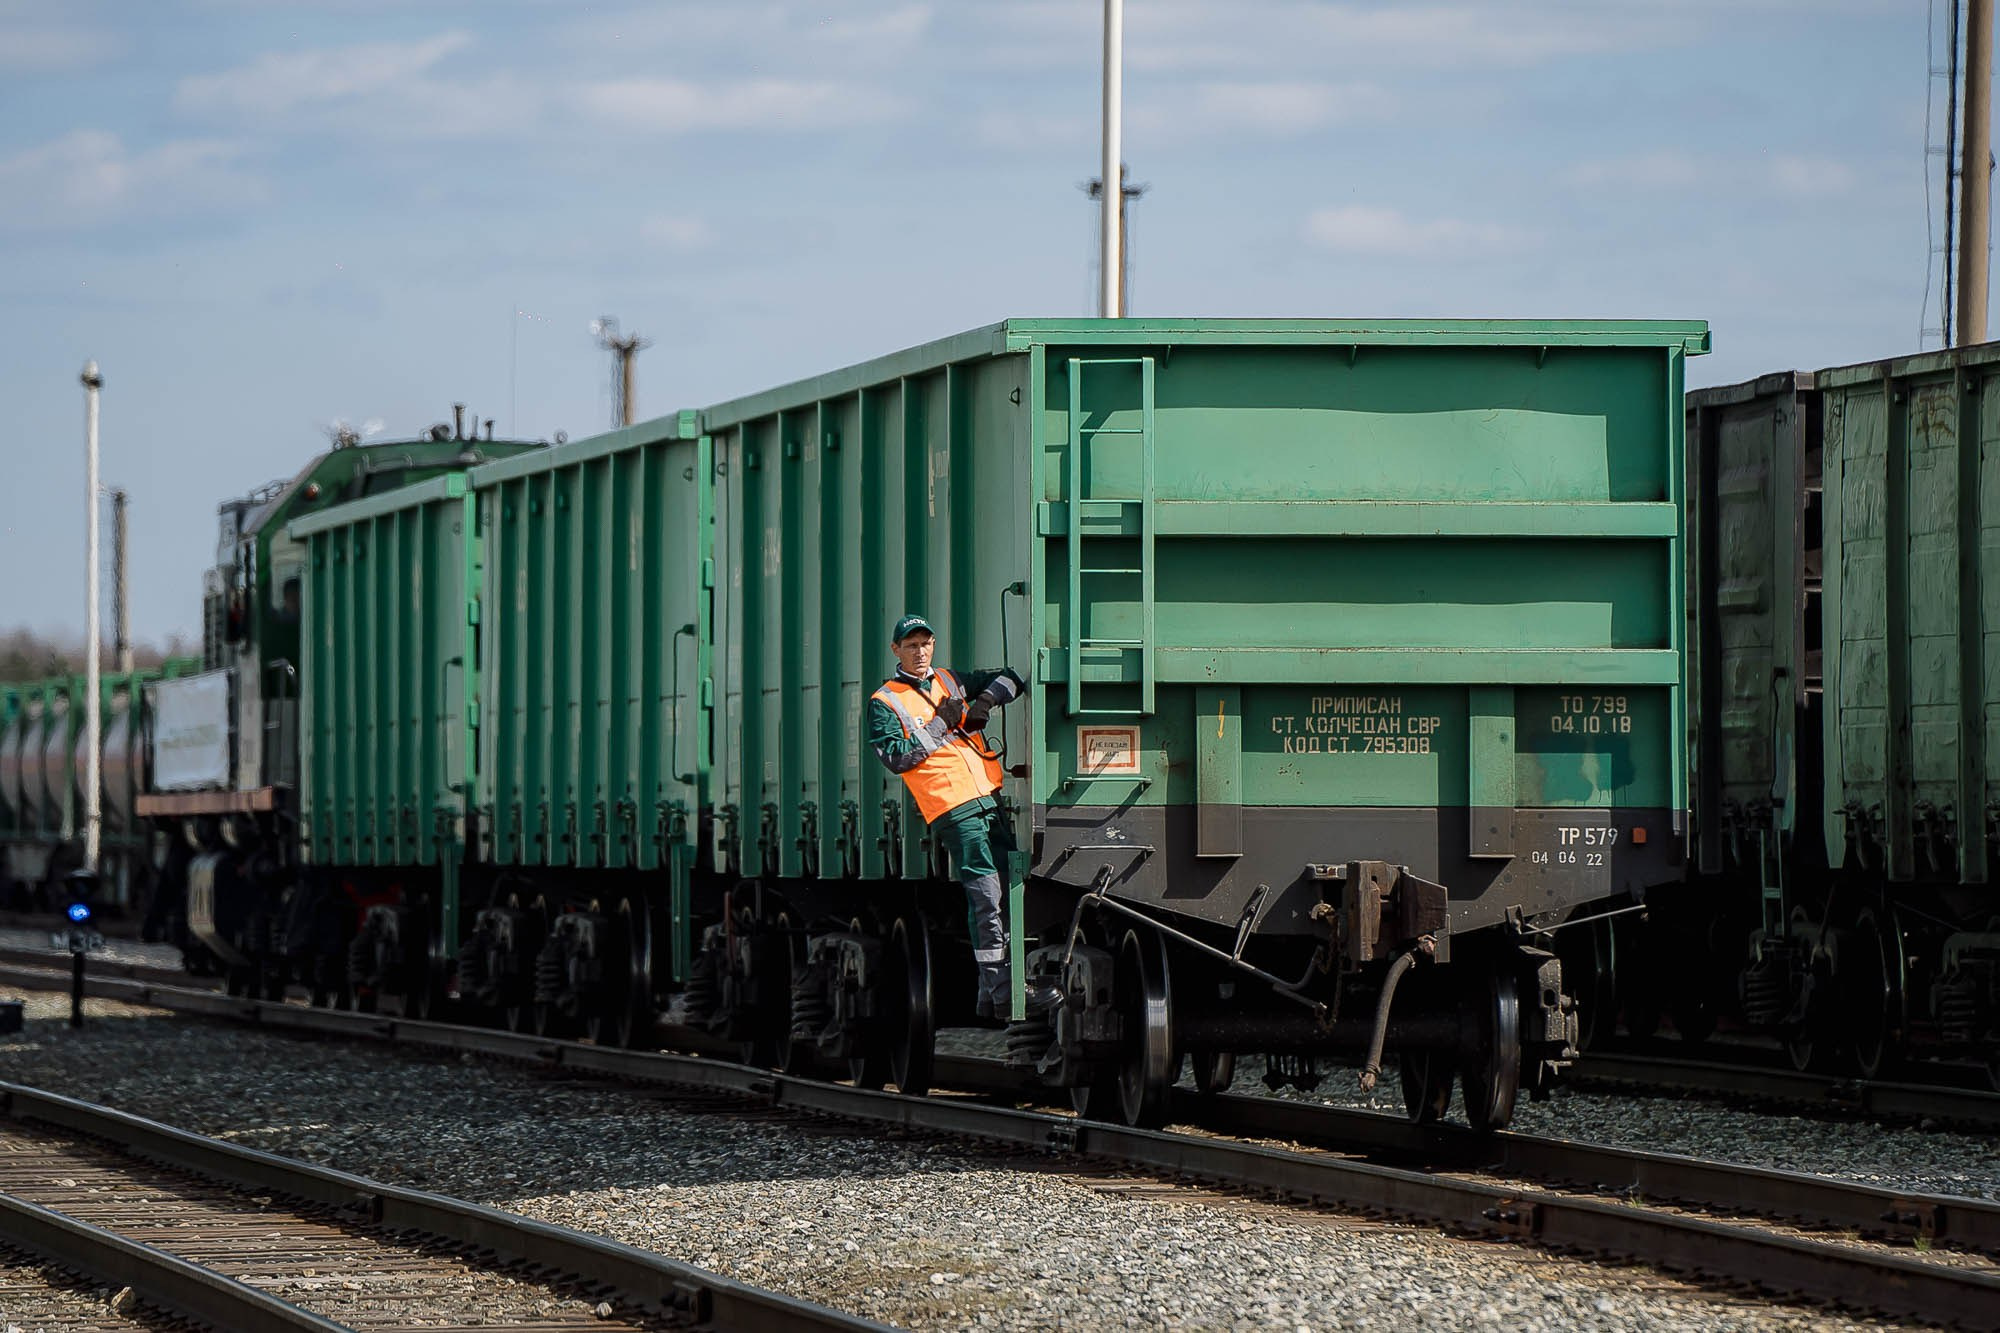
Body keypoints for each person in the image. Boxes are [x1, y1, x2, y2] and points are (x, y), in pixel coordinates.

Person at [865, 613, 1058, 1019]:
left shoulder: (950, 681)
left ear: (933, 645)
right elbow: (896, 758)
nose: (920, 652)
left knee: (1007, 888)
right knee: (986, 895)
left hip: (986, 797)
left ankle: (992, 992)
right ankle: (1003, 991)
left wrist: (983, 703)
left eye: (925, 643)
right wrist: (941, 724)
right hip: (951, 805)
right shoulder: (885, 701)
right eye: (911, 645)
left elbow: (1011, 678)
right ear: (896, 650)